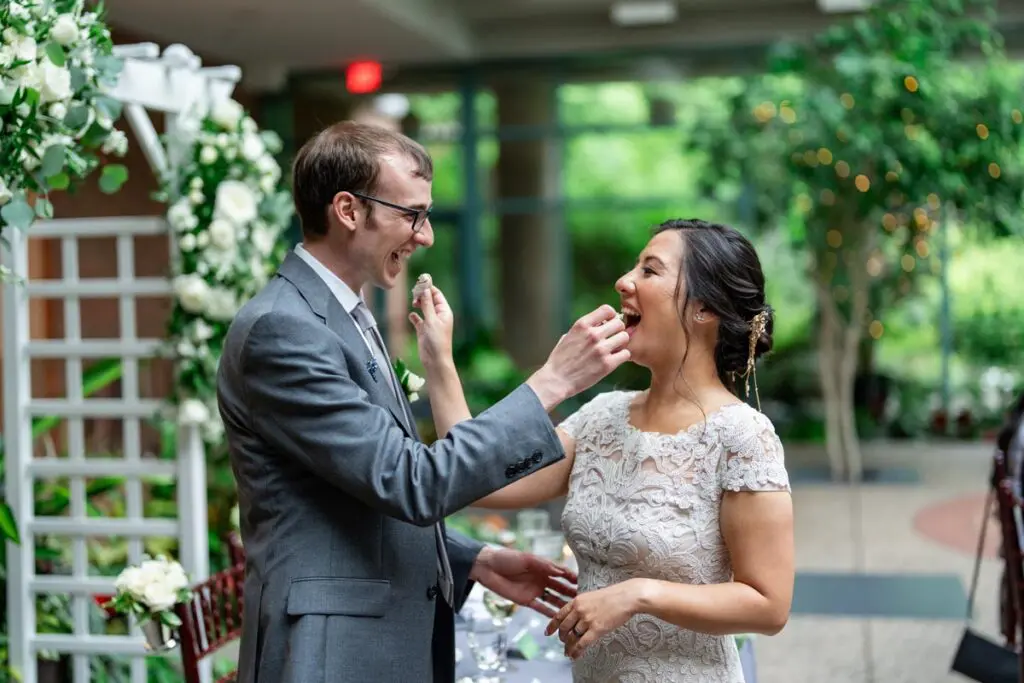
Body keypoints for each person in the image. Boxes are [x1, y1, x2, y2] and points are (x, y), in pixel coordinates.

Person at [216, 121, 631, 683]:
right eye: (412, 214)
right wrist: (551, 383)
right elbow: (410, 482)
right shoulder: (284, 330)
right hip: (331, 652)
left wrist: (470, 559)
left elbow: (350, 494)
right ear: (348, 210)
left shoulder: (341, 316)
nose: (426, 235)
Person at [416, 218, 795, 682]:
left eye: (649, 270)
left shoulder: (743, 436)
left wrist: (637, 594)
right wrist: (438, 358)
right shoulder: (601, 417)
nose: (623, 282)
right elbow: (474, 477)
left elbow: (768, 605)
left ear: (704, 309)